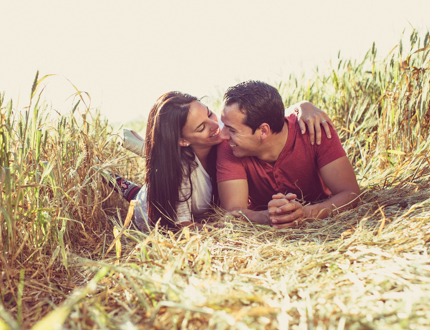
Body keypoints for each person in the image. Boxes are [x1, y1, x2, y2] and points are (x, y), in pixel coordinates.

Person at [110, 91, 333, 230]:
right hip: (147, 208)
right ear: (183, 141)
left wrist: (302, 106)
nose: (216, 126)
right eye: (201, 127)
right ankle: (115, 180)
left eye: (209, 114)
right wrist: (216, 229)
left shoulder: (228, 143)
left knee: (148, 170)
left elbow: (261, 121)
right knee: (136, 195)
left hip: (170, 164)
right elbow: (183, 229)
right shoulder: (181, 174)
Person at [217, 81, 360, 228]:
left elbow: (350, 193)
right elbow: (232, 211)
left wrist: (306, 213)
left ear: (264, 131)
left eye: (232, 130)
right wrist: (267, 216)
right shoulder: (230, 148)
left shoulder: (315, 130)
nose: (222, 136)